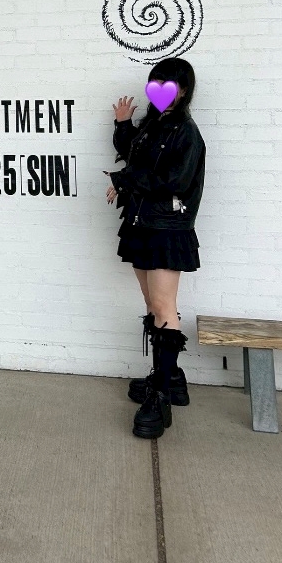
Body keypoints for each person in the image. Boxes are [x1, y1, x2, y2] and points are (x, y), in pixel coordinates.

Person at [105, 57, 206, 439]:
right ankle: (171, 378)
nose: (161, 91)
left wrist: (124, 180)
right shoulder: (153, 124)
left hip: (167, 228)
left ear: (184, 90)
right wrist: (123, 124)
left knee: (163, 307)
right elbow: (134, 155)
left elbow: (174, 181)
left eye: (170, 85)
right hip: (141, 223)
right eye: (156, 83)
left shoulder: (187, 133)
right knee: (153, 305)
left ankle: (161, 397)